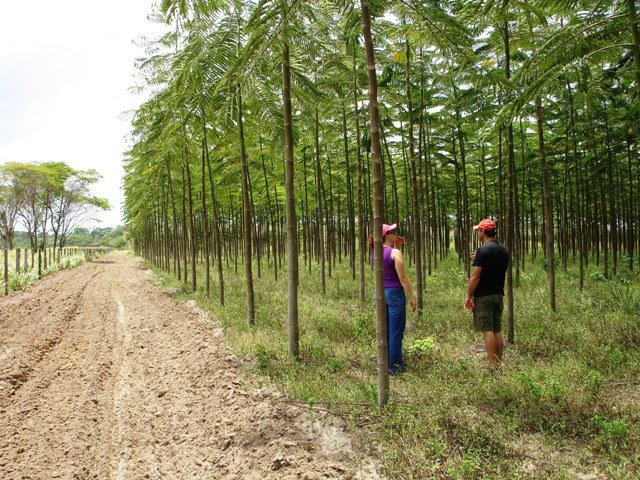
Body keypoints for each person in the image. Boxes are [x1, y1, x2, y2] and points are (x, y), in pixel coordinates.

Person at [369, 223, 417, 375]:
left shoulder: (375, 252)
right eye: (392, 232)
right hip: (395, 293)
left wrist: (398, 246)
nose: (395, 234)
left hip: (380, 293)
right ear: (385, 236)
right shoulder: (395, 252)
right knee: (396, 331)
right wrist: (412, 297)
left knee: (385, 330)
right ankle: (395, 369)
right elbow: (402, 277)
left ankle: (386, 363)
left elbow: (387, 266)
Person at [464, 218, 509, 369]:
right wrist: (478, 259)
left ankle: (492, 366)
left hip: (484, 296)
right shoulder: (504, 250)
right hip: (498, 294)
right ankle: (498, 364)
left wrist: (469, 295)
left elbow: (476, 276)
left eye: (479, 231)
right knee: (497, 330)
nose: (478, 233)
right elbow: (493, 266)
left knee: (487, 330)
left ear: (483, 232)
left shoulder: (483, 250)